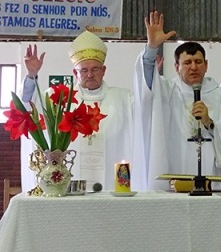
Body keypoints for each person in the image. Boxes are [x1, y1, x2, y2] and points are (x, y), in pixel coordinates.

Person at [133, 11, 221, 190]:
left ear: (206, 65)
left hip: (213, 179)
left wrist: (210, 123)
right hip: (175, 172)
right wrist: (152, 48)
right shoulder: (167, 92)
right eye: (187, 62)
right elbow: (146, 84)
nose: (194, 67)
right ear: (176, 67)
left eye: (198, 62)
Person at [20, 31, 135, 192]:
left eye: (95, 69)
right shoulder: (58, 98)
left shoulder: (123, 98)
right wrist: (31, 75)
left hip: (112, 185)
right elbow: (28, 106)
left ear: (104, 70)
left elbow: (147, 111)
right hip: (68, 186)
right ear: (75, 73)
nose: (89, 74)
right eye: (84, 70)